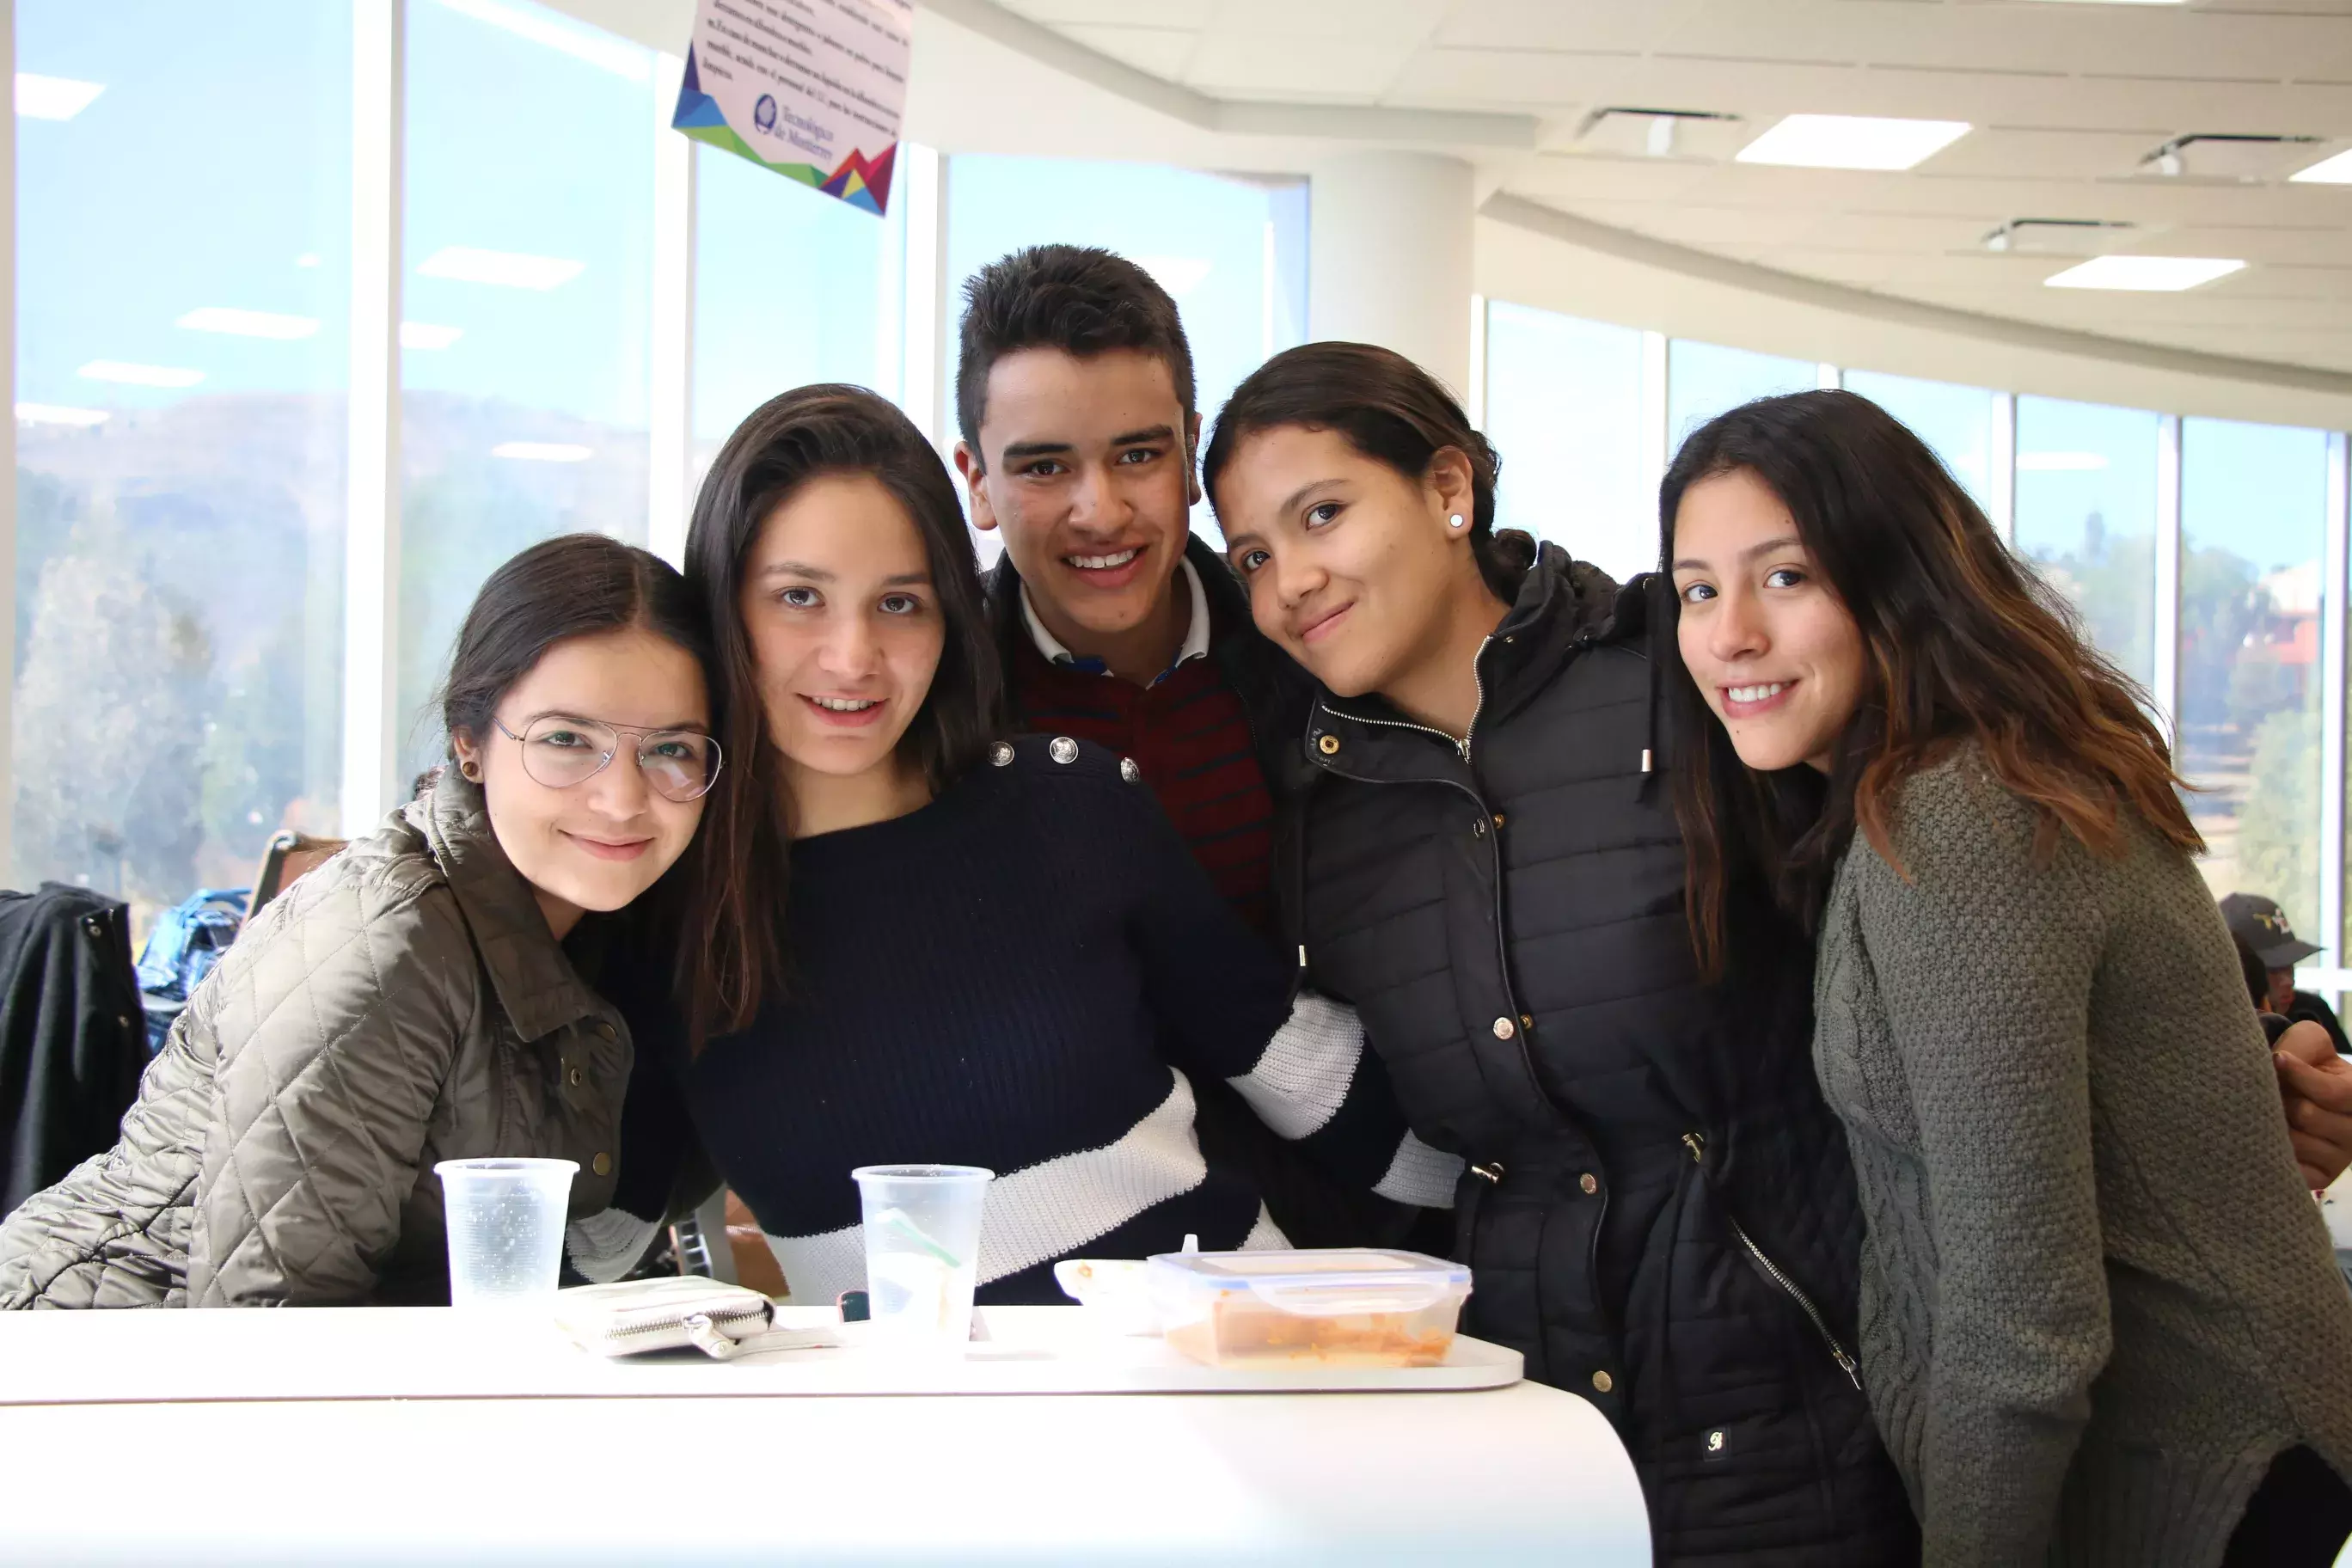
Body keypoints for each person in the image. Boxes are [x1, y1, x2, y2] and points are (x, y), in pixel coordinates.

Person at [1204, 341, 1920, 1564]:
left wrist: (2255, 1033)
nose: (1289, 586)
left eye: (1323, 514)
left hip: (1807, 1436)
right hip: (1534, 1463)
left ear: (1447, 489)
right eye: (1254, 557)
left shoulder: (1675, 678)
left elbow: (1947, 889)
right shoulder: (1322, 823)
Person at [1663, 388, 2352, 1566]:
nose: (1730, 635)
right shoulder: (1921, 793)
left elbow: (2022, 1311)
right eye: (1697, 589)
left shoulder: (1959, 815)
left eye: (1786, 577)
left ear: (1897, 584)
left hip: (2197, 1470)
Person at [603, 384, 1449, 1307]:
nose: (853, 658)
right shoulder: (663, 912)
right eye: (799, 597)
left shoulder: (1067, 804)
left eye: (900, 604)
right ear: (724, 608)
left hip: (1229, 1377)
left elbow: (1308, 1075)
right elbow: (592, 1240)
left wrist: (1579, 1184)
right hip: (929, 1431)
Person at [0, 535, 721, 1307]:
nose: (622, 800)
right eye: (566, 740)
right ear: (469, 743)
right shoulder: (386, 947)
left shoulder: (605, 927)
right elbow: (271, 1321)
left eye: (670, 748)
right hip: (86, 1366)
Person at [950, 242, 1414, 1248]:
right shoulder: (940, 720)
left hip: (1371, 1226)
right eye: (1042, 467)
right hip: (1088, 1264)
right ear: (977, 483)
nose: (1100, 509)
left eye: (1137, 454)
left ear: (1192, 453)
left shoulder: (1319, 657)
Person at [2221, 891, 2352, 1054]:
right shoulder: (2220, 1032)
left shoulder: (2314, 1011)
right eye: (2273, 969)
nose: (2288, 981)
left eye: (2291, 965)